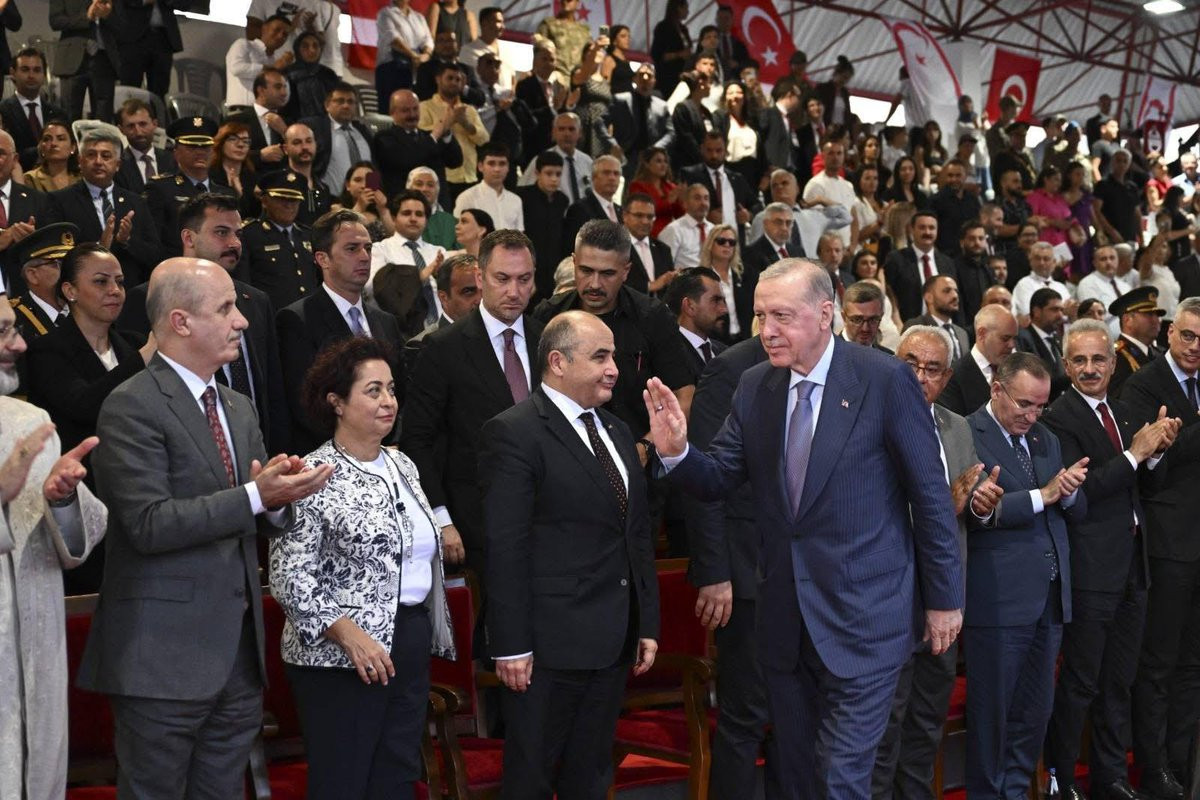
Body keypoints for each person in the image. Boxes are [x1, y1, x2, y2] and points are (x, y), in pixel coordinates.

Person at [647, 258, 963, 798]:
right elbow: (719, 476)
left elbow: (930, 497)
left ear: (824, 314)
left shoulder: (884, 379)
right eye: (760, 316)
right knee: (798, 779)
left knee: (842, 777)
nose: (768, 330)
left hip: (867, 618)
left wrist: (944, 600)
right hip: (786, 624)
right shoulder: (755, 385)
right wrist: (677, 452)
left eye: (782, 316)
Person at [78, 256, 333, 800]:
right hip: (160, 658)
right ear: (181, 322)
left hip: (237, 659)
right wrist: (256, 496)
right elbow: (148, 524)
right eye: (225, 308)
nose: (242, 320)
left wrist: (282, 498)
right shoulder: (130, 405)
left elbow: (254, 508)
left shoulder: (237, 406)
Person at [480, 309, 660, 799]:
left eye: (614, 357)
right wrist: (511, 645)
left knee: (591, 776)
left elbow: (636, 533)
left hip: (613, 639)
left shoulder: (618, 430)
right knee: (532, 780)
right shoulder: (514, 432)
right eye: (600, 357)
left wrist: (645, 621)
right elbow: (506, 546)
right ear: (557, 362)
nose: (614, 369)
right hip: (546, 648)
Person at [269, 336, 454, 800]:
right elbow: (290, 576)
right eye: (373, 391)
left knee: (396, 778)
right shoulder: (311, 473)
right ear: (336, 401)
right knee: (344, 782)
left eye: (391, 389)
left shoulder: (403, 463)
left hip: (407, 640)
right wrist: (349, 635)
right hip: (340, 656)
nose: (388, 401)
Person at [1041, 320, 1180, 800]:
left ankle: (1110, 776)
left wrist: (1156, 453)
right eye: (1079, 360)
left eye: (1098, 359)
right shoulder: (1058, 418)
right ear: (1065, 366)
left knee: (1119, 681)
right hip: (1090, 570)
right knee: (1080, 682)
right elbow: (1083, 493)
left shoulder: (1122, 412)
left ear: (1113, 362)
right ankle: (1061, 779)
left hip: (1133, 567)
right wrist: (1136, 455)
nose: (1089, 368)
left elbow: (1146, 485)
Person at [872, 325, 1003, 800]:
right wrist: (946, 506)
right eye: (911, 364)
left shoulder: (957, 426)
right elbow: (870, 516)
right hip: (889, 598)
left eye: (932, 369)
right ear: (894, 364)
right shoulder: (869, 421)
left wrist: (981, 505)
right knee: (884, 726)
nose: (920, 377)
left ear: (947, 378)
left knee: (927, 722)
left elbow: (969, 506)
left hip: (946, 597)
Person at [962, 352, 1088, 798]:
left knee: (1035, 715)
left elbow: (1073, 509)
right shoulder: (966, 433)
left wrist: (1067, 493)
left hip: (1050, 598)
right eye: (1024, 404)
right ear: (996, 389)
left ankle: (1015, 793)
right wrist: (1044, 495)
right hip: (998, 601)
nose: (1032, 416)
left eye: (1040, 406)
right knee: (992, 717)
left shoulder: (1044, 437)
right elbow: (979, 511)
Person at [0, 288, 108, 800]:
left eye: (14, 329)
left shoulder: (31, 423)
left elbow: (77, 540)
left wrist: (62, 499)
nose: (19, 345)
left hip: (39, 644)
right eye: (3, 332)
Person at [401, 229, 543, 575]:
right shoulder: (443, 348)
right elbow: (417, 440)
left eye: (524, 279)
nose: (514, 291)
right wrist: (441, 518)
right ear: (481, 277)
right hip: (476, 528)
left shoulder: (547, 340)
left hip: (548, 524)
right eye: (502, 279)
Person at [25, 243, 157, 593]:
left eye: (120, 282)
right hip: (83, 500)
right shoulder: (47, 350)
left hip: (138, 495)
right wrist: (144, 357)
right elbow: (83, 404)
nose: (115, 290)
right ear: (70, 291)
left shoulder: (130, 344)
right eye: (101, 282)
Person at [1123, 296, 1200, 797]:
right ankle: (1154, 769)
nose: (1194, 347)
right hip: (1168, 548)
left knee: (1193, 664)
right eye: (1187, 335)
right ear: (1169, 332)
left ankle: (1181, 765)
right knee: (1158, 664)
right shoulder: (1143, 385)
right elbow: (1147, 469)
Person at [277, 209, 407, 454]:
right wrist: (357, 447)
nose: (364, 257)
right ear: (323, 259)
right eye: (352, 249)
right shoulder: (297, 319)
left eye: (368, 248)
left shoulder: (386, 321)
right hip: (330, 458)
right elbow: (304, 405)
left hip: (386, 454)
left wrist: (389, 441)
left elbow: (400, 391)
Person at [43, 128, 163, 288]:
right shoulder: (59, 201)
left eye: (106, 156)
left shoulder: (135, 202)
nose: (98, 161)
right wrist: (99, 246)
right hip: (84, 291)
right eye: (91, 155)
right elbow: (56, 256)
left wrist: (127, 241)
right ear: (80, 161)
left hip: (130, 290)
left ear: (118, 164)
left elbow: (155, 254)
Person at [144, 116, 239, 259]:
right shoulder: (161, 189)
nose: (200, 152)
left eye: (205, 147)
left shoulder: (225, 193)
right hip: (178, 265)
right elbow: (153, 241)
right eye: (192, 147)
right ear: (176, 152)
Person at [238, 169, 321, 312]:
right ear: (265, 201)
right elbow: (243, 283)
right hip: (271, 315)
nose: (289, 205)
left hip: (309, 314)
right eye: (282, 199)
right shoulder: (250, 234)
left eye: (294, 200)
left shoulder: (308, 235)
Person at [370, 190, 447, 336]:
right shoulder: (380, 249)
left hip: (441, 331)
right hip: (398, 331)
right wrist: (419, 276)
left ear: (426, 220)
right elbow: (373, 288)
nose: (413, 219)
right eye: (406, 213)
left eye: (419, 214)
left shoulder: (438, 251)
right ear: (394, 218)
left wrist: (439, 276)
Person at [374, 89, 464, 202]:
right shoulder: (384, 138)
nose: (412, 115)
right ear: (392, 112)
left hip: (439, 207)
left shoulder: (429, 137)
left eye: (415, 109)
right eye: (405, 110)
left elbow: (456, 162)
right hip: (404, 206)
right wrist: (436, 134)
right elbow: (407, 159)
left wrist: (446, 134)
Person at [937, 303, 1019, 416]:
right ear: (982, 334)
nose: (1012, 345)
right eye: (1005, 338)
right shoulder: (953, 377)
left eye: (1014, 338)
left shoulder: (1016, 371)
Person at [49, 0, 118, 123]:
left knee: (104, 117)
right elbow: (55, 21)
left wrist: (108, 15)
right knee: (70, 114)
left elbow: (125, 23)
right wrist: (86, 17)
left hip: (104, 58)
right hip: (72, 59)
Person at [1, 48, 68, 171]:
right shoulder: (2, 111)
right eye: (25, 69)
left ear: (44, 74)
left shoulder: (59, 114)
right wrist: (41, 149)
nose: (31, 76)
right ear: (13, 73)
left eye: (37, 70)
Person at [884, 211, 958, 323]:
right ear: (912, 230)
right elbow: (889, 294)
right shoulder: (896, 259)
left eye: (931, 228)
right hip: (906, 325)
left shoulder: (947, 262)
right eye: (922, 227)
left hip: (942, 325)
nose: (927, 232)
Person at [304, 83, 376, 196]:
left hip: (364, 200)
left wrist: (374, 193)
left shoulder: (363, 131)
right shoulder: (316, 128)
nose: (346, 106)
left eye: (350, 102)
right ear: (327, 105)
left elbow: (373, 165)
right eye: (340, 101)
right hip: (330, 200)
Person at [516, 150, 569, 298]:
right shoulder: (522, 197)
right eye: (549, 173)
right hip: (529, 264)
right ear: (537, 173)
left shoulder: (562, 200)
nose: (554, 179)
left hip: (554, 266)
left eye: (558, 174)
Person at [665, 266, 728, 376]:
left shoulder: (725, 352)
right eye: (716, 300)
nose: (724, 309)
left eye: (723, 301)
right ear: (689, 306)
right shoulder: (667, 354)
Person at [225, 14, 292, 107]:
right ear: (264, 28)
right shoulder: (243, 44)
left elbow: (284, 94)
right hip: (242, 110)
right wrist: (272, 69)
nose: (280, 36)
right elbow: (237, 69)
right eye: (276, 30)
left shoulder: (277, 60)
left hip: (267, 112)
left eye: (285, 34)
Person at [1109, 286, 1166, 397]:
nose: (1156, 320)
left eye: (1157, 315)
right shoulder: (1115, 357)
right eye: (1149, 314)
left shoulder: (1160, 352)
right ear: (1127, 320)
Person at [452, 141, 523, 229]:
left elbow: (519, 234)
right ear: (480, 166)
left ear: (508, 167)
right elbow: (456, 232)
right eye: (491, 163)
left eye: (502, 164)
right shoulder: (467, 197)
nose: (497, 169)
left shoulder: (515, 200)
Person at [374, 0, 433, 103]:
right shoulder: (385, 13)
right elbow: (393, 39)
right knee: (392, 107)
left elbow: (428, 40)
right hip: (392, 69)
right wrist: (413, 56)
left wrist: (426, 55)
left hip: (416, 69)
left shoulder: (419, 17)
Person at [698, 223, 749, 340]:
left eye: (732, 242)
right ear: (710, 244)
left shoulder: (746, 274)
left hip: (745, 339)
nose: (727, 245)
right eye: (721, 241)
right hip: (715, 340)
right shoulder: (701, 277)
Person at [903, 275, 969, 362]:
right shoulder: (916, 327)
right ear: (929, 297)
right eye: (947, 291)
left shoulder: (962, 333)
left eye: (956, 291)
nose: (955, 296)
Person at [623, 192, 676, 297]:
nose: (645, 221)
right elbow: (613, 284)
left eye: (650, 217)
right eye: (639, 215)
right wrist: (649, 286)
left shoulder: (663, 250)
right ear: (625, 216)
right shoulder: (614, 247)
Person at [283, 31, 342, 122]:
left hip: (327, 124)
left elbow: (338, 101)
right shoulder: (288, 73)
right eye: (305, 46)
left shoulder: (328, 74)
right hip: (295, 124)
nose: (311, 50)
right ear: (297, 49)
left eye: (315, 46)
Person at [627, 147, 684, 239]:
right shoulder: (637, 186)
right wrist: (668, 201)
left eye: (665, 161)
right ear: (647, 164)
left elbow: (680, 216)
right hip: (647, 234)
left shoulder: (671, 187)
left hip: (670, 235)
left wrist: (682, 201)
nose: (663, 165)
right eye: (658, 161)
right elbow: (643, 210)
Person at [332, 162, 396, 242]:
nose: (363, 185)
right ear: (348, 185)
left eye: (369, 180)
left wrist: (383, 210)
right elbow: (340, 234)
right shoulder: (337, 209)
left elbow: (394, 238)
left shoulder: (382, 210)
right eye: (358, 180)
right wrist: (360, 206)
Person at [658, 182, 715, 272]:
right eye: (697, 198)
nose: (703, 203)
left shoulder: (714, 229)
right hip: (685, 280)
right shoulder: (673, 230)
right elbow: (664, 267)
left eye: (706, 198)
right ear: (685, 204)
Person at [210, 121, 260, 220]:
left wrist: (240, 195)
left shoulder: (252, 178)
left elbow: (254, 215)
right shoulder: (210, 174)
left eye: (246, 141)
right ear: (221, 143)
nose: (241, 145)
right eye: (233, 139)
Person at [23, 120, 79, 194]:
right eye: (47, 139)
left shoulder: (82, 178)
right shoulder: (30, 178)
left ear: (73, 147)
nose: (53, 143)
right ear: (41, 147)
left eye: (60, 139)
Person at [650, 0, 692, 97]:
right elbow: (657, 54)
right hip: (667, 77)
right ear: (679, 8)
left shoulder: (683, 29)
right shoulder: (663, 27)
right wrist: (679, 54)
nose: (688, 11)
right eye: (686, 8)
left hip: (682, 74)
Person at [839, 280, 890, 352]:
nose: (865, 329)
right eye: (857, 320)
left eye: (872, 320)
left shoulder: (888, 357)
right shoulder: (827, 355)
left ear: (881, 316)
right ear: (844, 317)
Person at [601, 24, 634, 94]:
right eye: (623, 36)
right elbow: (605, 86)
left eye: (629, 36)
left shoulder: (626, 60)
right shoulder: (609, 60)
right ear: (614, 40)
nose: (627, 39)